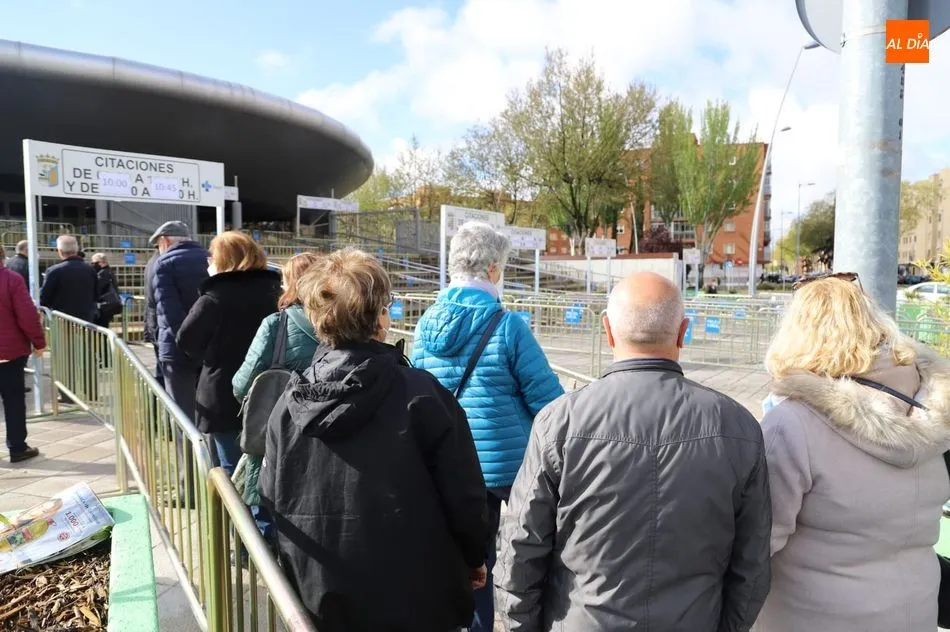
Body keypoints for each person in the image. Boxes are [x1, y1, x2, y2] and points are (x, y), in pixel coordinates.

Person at [495, 272, 772, 631]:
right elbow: (752, 566)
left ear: (607, 330)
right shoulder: (736, 425)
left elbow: (520, 549)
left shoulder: (560, 422)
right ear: (683, 331)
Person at [259, 248, 489, 632]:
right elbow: (463, 492)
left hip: (321, 597)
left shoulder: (288, 405)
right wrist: (473, 555)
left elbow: (271, 498)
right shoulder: (422, 394)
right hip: (418, 598)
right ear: (380, 317)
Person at [754, 272, 950, 632]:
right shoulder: (934, 414)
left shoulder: (793, 424)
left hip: (810, 617)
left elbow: (758, 541)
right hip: (914, 613)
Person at [410, 221, 563, 631]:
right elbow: (548, 400)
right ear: (493, 269)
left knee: (470, 556)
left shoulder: (425, 325)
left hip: (449, 463)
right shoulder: (508, 326)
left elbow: (419, 396)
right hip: (505, 468)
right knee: (522, 551)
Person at [232, 252, 322, 539]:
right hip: (323, 443)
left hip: (275, 440)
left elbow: (242, 383)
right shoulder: (340, 324)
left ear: (292, 283)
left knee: (268, 522)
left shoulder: (276, 324)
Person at [176, 231, 280, 475]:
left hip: (223, 393)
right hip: (269, 390)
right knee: (267, 468)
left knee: (231, 469)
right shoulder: (275, 292)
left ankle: (237, 514)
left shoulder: (214, 298)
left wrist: (209, 358)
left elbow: (186, 340)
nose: (208, 261)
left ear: (223, 260)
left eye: (212, 256)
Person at [149, 221, 208, 421]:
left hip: (177, 348)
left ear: (164, 240)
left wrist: (187, 343)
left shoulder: (163, 264)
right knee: (210, 411)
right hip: (211, 348)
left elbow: (169, 312)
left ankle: (189, 453)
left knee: (183, 413)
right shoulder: (211, 258)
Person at [0, 244, 45, 463]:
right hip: (9, 352)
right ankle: (17, 447)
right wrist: (39, 342)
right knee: (14, 400)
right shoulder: (12, 279)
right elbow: (27, 316)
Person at [39, 235, 98, 323]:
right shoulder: (90, 270)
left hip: (62, 320)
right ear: (76, 250)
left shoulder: (54, 271)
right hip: (86, 320)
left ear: (60, 251)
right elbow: (96, 294)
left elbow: (44, 297)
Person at [143, 245, 164, 387]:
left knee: (161, 368)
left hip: (155, 323)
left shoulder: (153, 261)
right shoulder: (160, 263)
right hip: (160, 324)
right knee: (163, 371)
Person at [90, 253, 122, 331]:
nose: (92, 265)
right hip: (107, 306)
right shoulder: (109, 271)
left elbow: (97, 288)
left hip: (104, 306)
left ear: (101, 262)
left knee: (101, 330)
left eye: (94, 263)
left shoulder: (103, 273)